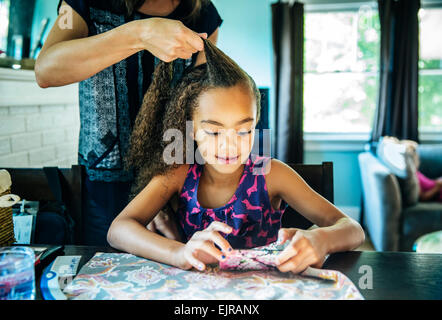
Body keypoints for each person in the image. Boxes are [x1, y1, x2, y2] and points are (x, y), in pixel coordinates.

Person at [106, 40, 365, 274]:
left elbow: (352, 228)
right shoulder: (179, 173)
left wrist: (321, 239)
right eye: (214, 132)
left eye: (243, 130)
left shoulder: (271, 173)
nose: (230, 146)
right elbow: (118, 230)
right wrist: (179, 252)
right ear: (190, 128)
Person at [35, 0, 223, 245]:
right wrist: (140, 34)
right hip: (103, 189)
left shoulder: (204, 15)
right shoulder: (78, 5)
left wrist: (159, 193)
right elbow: (46, 70)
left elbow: (195, 110)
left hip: (172, 185)